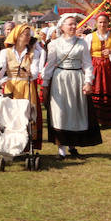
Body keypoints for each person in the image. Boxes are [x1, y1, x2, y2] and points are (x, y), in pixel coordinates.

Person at [42, 13, 101, 159]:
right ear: (62, 27)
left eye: (75, 24)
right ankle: (61, 149)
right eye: (70, 24)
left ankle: (72, 146)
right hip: (60, 80)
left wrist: (88, 82)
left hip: (77, 79)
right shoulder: (54, 44)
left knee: (75, 112)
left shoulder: (82, 43)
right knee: (60, 113)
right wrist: (45, 83)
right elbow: (49, 66)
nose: (73, 26)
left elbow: (87, 64)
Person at [0, 23, 45, 153]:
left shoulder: (33, 53)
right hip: (11, 87)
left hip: (27, 86)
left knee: (27, 115)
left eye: (29, 35)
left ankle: (28, 145)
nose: (28, 37)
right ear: (17, 36)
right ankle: (10, 144)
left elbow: (35, 71)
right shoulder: (6, 52)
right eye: (25, 35)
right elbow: (1, 68)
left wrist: (30, 74)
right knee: (11, 115)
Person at [87, 11, 111, 129]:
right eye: (100, 22)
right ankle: (95, 119)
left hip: (109, 67)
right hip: (94, 66)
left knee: (109, 89)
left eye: (104, 22)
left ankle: (109, 119)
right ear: (96, 23)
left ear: (108, 23)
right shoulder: (90, 37)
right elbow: (85, 54)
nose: (102, 25)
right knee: (95, 89)